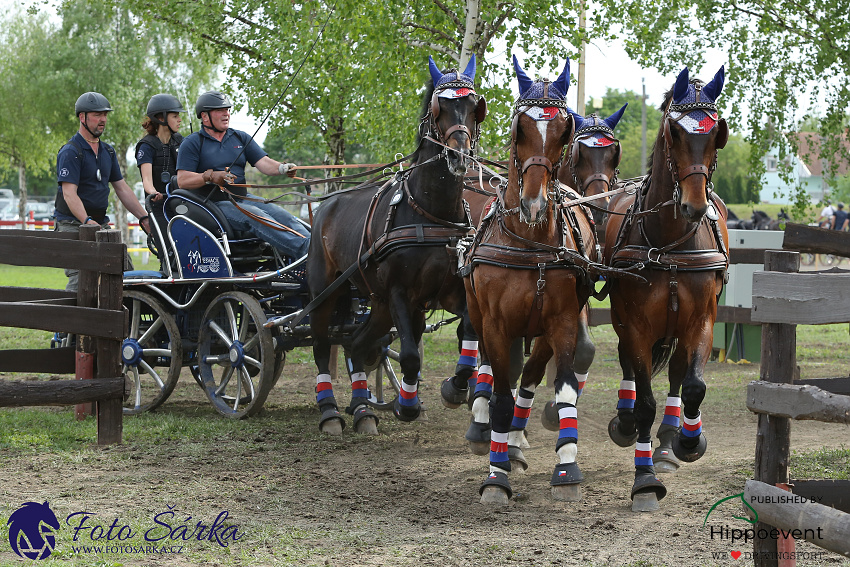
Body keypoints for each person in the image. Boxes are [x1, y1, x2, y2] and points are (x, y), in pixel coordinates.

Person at [175, 90, 309, 259]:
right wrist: (209, 176)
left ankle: (316, 245)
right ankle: (307, 251)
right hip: (214, 203)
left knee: (282, 215)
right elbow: (182, 180)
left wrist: (283, 168)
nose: (226, 114)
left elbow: (264, 163)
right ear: (205, 116)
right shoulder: (192, 143)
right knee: (257, 216)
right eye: (220, 111)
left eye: (228, 110)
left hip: (243, 197)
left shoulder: (240, 137)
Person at [54, 92, 151, 292]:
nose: (103, 120)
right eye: (97, 115)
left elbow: (122, 188)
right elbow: (69, 194)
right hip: (72, 225)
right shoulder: (71, 152)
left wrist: (144, 217)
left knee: (125, 271)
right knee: (81, 280)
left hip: (100, 223)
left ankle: (129, 320)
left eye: (105, 115)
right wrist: (87, 221)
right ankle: (72, 322)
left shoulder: (108, 151)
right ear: (82, 117)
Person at [136, 94, 185, 203]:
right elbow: (147, 179)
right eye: (175, 116)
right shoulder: (147, 146)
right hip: (158, 205)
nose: (180, 120)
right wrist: (153, 192)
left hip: (180, 202)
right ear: (161, 118)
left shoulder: (180, 141)